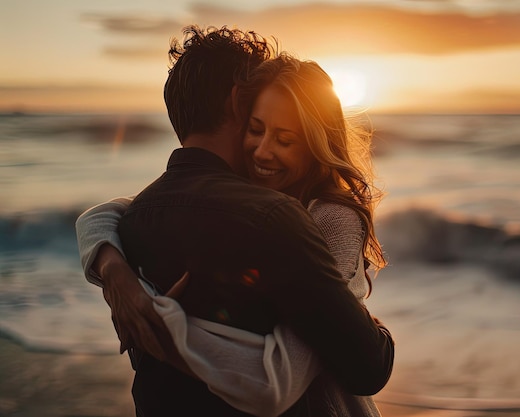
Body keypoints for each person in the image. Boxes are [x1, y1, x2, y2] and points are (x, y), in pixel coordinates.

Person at [76, 25, 393, 416]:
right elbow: (342, 371)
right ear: (237, 101)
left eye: (285, 138)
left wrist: (118, 275)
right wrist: (113, 269)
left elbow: (111, 212)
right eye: (256, 128)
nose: (262, 150)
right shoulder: (267, 213)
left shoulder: (141, 219)